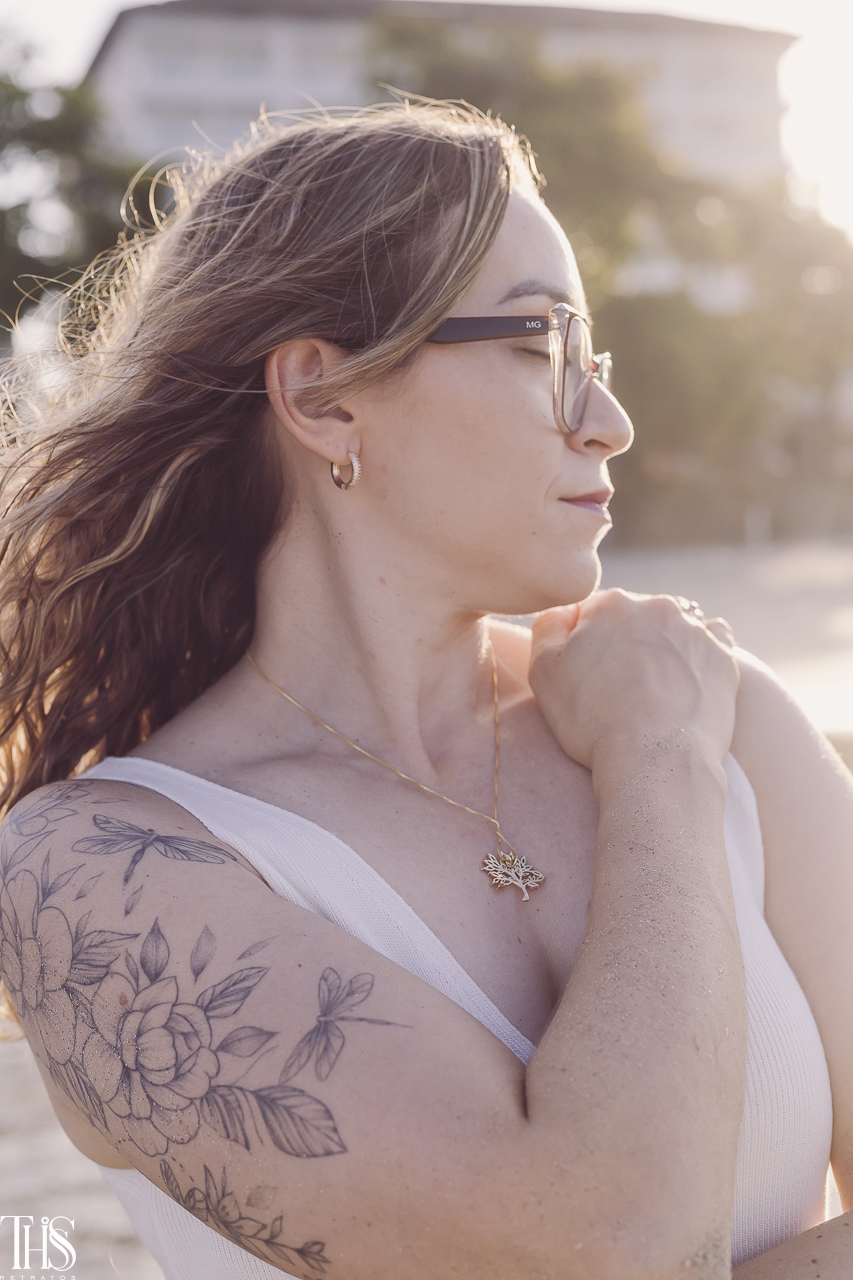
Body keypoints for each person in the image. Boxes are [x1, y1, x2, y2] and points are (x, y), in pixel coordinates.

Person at [0, 101, 849, 1280]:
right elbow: (604, 1240)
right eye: (541, 347)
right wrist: (655, 766)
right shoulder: (94, 875)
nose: (608, 423)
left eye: (594, 362)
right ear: (324, 395)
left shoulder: (722, 702)